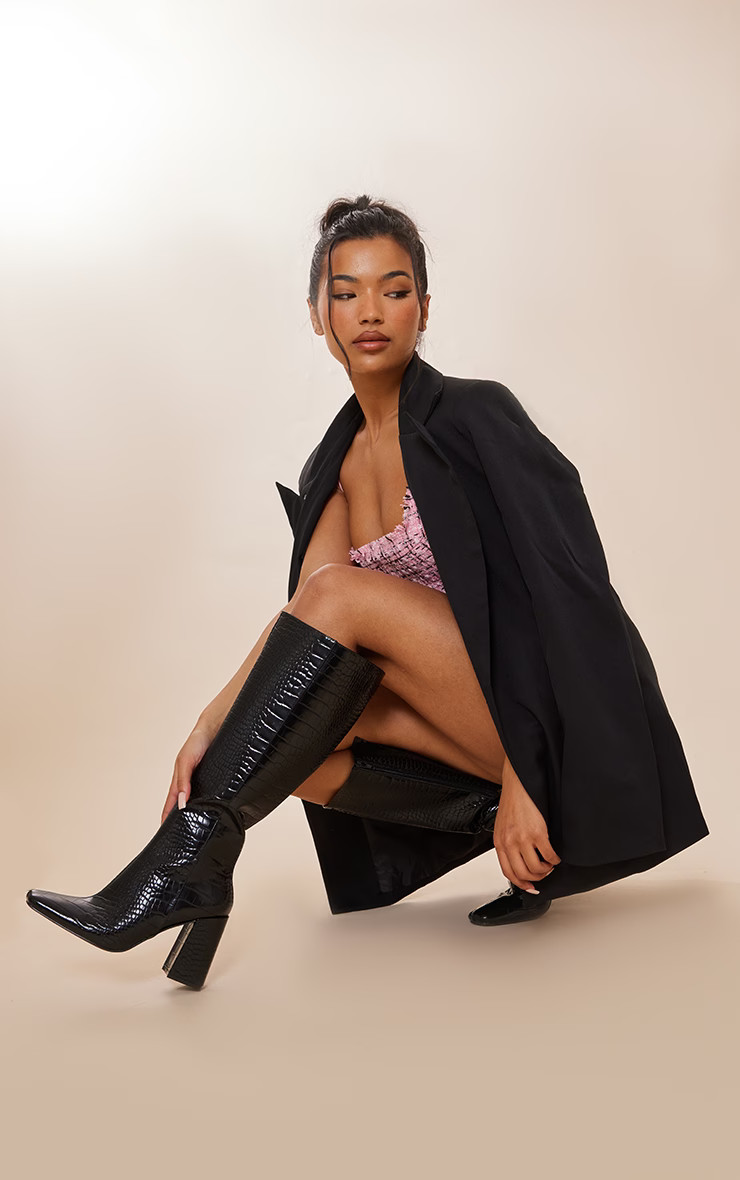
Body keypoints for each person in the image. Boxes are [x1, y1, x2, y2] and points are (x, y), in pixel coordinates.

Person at [26, 194, 709, 988]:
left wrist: (531, 772)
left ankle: (180, 872)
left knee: (340, 603)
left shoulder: (476, 415)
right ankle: (207, 874)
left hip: (555, 719)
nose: (371, 312)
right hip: (466, 736)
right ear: (318, 315)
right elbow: (305, 619)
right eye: (346, 293)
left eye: (394, 289)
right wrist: (207, 725)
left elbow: (571, 594)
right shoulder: (334, 464)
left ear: (425, 307)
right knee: (297, 748)